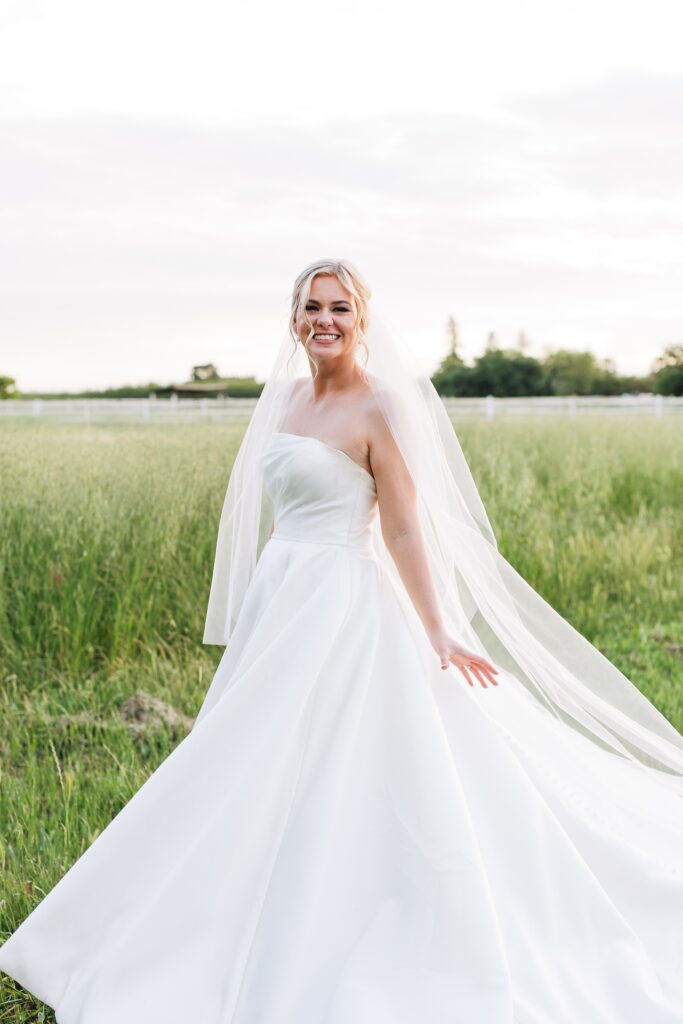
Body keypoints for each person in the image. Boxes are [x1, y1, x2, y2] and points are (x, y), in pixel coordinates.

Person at [1, 258, 682, 1023]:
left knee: (338, 755)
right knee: (250, 757)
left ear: (361, 319)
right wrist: (269, 590)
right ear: (292, 319)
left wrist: (437, 630)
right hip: (282, 596)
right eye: (311, 307)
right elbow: (279, 504)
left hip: (344, 603)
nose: (324, 320)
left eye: (339, 309)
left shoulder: (380, 408)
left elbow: (398, 524)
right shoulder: (285, 398)